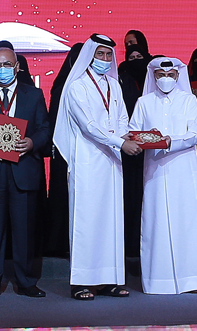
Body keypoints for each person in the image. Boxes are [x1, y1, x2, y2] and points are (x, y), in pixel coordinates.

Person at [55, 34, 140, 300]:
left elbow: (123, 117)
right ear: (89, 56)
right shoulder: (77, 87)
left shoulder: (115, 85)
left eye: (108, 56)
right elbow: (88, 127)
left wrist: (128, 136)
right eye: (100, 55)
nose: (104, 60)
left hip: (112, 160)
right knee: (86, 220)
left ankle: (110, 279)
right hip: (88, 161)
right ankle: (82, 281)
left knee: (112, 220)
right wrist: (120, 142)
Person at [0, 47, 50, 299]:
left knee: (24, 230)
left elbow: (45, 128)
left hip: (22, 170)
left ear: (17, 67)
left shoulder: (34, 95)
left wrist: (32, 143)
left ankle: (26, 281)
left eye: (6, 65)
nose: (1, 70)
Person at [128, 57, 197, 294]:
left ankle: (194, 278)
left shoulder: (189, 100)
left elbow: (194, 135)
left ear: (178, 76)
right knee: (156, 221)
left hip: (183, 169)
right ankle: (159, 281)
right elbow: (133, 131)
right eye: (160, 75)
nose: (165, 79)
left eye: (170, 75)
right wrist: (136, 139)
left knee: (188, 220)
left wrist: (169, 142)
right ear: (153, 76)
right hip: (155, 170)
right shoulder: (144, 102)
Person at [43, 43, 82, 258]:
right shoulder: (61, 88)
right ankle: (59, 241)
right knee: (61, 196)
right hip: (64, 154)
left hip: (89, 154)